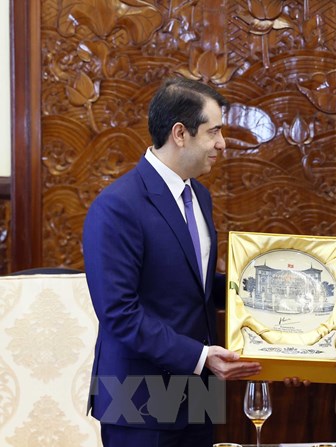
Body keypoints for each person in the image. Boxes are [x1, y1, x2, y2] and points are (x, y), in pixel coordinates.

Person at [83, 77, 261, 447]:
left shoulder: (200, 196)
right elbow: (119, 312)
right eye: (214, 132)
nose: (222, 143)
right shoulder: (117, 206)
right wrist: (200, 357)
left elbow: (194, 286)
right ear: (180, 133)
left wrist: (258, 293)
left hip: (198, 395)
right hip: (140, 399)